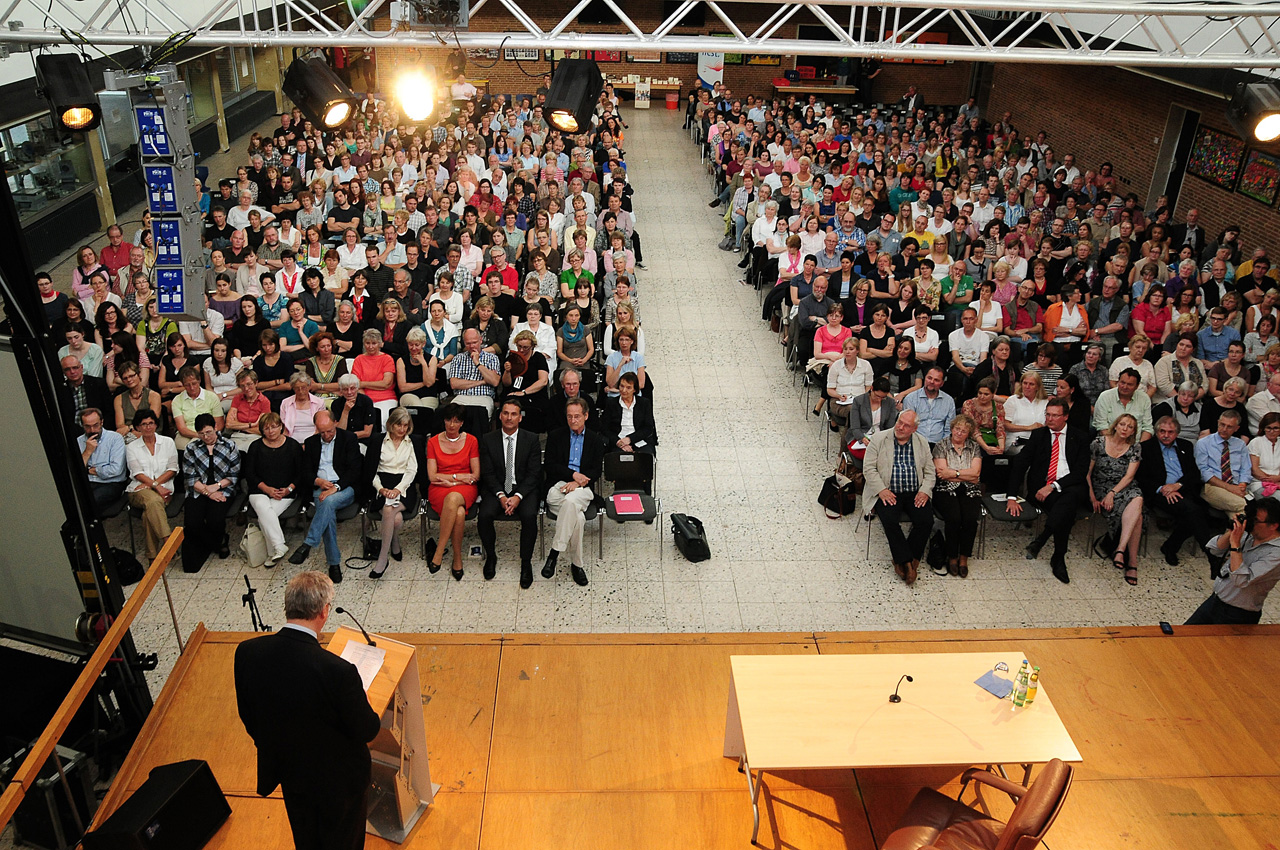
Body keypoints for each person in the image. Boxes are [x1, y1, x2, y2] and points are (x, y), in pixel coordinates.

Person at [233, 570, 381, 850]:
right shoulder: (338, 671)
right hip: (339, 785)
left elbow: (248, 715)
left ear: (288, 606)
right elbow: (368, 730)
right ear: (324, 611)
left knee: (306, 840)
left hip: (291, 775)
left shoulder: (247, 652)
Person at [1007, 397, 1091, 583]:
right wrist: (1012, 496)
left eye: (1055, 415)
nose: (1050, 419)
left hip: (1070, 485)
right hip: (1043, 489)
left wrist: (1053, 486)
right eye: (1048, 415)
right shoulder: (1039, 435)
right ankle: (1058, 557)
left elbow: (1080, 472)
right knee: (1066, 510)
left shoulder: (1080, 437)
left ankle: (1043, 539)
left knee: (1069, 497)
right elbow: (1020, 464)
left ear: (1066, 417)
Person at [863, 411, 936, 585]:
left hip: (914, 491)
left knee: (926, 521)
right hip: (888, 490)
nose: (900, 427)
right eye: (899, 422)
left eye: (906, 425)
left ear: (914, 429)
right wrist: (881, 490)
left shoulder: (922, 442)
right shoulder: (879, 439)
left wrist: (925, 491)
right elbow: (869, 469)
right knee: (889, 520)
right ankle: (907, 563)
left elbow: (930, 471)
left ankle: (906, 559)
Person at [290, 410, 364, 583]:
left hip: (344, 487)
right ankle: (333, 563)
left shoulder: (348, 439)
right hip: (321, 488)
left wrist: (336, 487)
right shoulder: (311, 443)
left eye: (329, 431)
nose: (326, 435)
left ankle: (308, 544)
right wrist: (318, 481)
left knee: (327, 502)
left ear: (335, 423)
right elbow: (305, 472)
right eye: (322, 432)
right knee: (327, 512)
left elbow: (355, 471)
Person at [478, 398, 543, 587]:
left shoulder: (531, 439)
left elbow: (534, 473)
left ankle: (526, 562)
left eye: (514, 414)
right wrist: (501, 495)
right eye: (505, 413)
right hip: (497, 488)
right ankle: (491, 556)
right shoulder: (488, 439)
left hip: (523, 489)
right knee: (484, 515)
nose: (509, 417)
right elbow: (487, 473)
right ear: (500, 416)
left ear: (520, 418)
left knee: (529, 515)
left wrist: (517, 496)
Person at [1185, 497, 1280, 625]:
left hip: (1238, 615)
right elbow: (1213, 549)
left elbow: (1241, 580)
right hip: (1215, 601)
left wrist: (1235, 545)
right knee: (1183, 635)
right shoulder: (1250, 534)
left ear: (1273, 525)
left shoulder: (1276, 553)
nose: (1251, 522)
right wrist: (1231, 532)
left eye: (1255, 520)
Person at [543, 398, 606, 587]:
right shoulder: (556, 436)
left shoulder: (596, 440)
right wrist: (572, 475)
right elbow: (550, 465)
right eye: (569, 416)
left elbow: (596, 471)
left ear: (586, 416)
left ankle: (554, 553)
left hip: (583, 489)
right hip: (559, 486)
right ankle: (577, 565)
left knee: (571, 502)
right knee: (577, 518)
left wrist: (578, 483)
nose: (573, 420)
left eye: (577, 416)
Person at [425, 403, 480, 579]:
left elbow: (475, 475)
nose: (451, 425)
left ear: (462, 423)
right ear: (444, 420)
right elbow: (432, 476)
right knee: (459, 512)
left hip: (464, 488)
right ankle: (457, 557)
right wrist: (458, 477)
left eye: (456, 421)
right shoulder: (433, 442)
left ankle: (439, 551)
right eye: (449, 420)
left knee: (454, 497)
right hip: (439, 488)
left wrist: (452, 481)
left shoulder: (471, 441)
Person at [1089, 413, 1145, 585]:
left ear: (1133, 431)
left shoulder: (1135, 447)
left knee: (1137, 498)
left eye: (1130, 427)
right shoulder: (1098, 443)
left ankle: (1120, 549)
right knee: (1138, 516)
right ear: (1115, 425)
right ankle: (1132, 563)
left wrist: (1113, 493)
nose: (1125, 429)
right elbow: (1087, 473)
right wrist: (1092, 496)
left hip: (1124, 486)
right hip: (1101, 486)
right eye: (1122, 424)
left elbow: (1129, 476)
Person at [181, 413, 241, 573]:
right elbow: (191, 477)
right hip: (199, 489)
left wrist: (217, 486)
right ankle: (212, 543)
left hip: (223, 488)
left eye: (208, 432)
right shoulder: (191, 448)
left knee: (215, 519)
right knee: (192, 522)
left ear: (215, 428)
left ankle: (220, 540)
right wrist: (208, 492)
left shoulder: (229, 445)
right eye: (201, 434)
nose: (206, 437)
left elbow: (233, 474)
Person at [245, 412, 307, 566]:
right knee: (262, 507)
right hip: (259, 491)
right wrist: (267, 489)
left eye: (274, 427)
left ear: (281, 427)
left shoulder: (293, 446)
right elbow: (250, 474)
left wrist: (289, 489)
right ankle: (279, 546)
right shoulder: (255, 447)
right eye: (266, 428)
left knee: (265, 516)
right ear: (262, 430)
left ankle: (272, 553)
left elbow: (301, 473)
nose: (271, 431)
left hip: (284, 492)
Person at [932, 413, 984, 577]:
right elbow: (942, 475)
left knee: (970, 519)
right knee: (954, 518)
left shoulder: (974, 447)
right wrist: (965, 474)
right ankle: (952, 557)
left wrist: (953, 473)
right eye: (957, 429)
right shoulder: (941, 445)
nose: (959, 433)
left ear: (969, 434)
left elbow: (976, 475)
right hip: (945, 489)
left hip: (970, 489)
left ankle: (963, 558)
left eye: (964, 431)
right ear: (952, 428)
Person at [369, 407, 419, 579]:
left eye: (405, 426)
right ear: (391, 424)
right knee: (396, 519)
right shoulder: (378, 441)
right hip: (382, 483)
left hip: (404, 485)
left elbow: (412, 470)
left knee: (389, 509)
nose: (402, 429)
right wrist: (380, 488)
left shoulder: (412, 442)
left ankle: (382, 559)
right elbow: (371, 470)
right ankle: (394, 542)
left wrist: (399, 489)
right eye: (399, 425)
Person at [125, 409, 180, 562]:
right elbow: (137, 473)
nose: (148, 427)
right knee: (154, 501)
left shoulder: (168, 442)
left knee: (148, 513)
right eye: (144, 424)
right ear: (138, 427)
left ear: (156, 424)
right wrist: (157, 486)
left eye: (151, 423)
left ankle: (152, 557)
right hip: (138, 490)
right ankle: (169, 543)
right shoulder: (131, 447)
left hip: (163, 489)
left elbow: (172, 469)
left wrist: (153, 485)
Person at [1195, 408, 1252, 514]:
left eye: (1229, 426)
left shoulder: (1240, 444)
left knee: (1240, 514)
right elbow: (1203, 472)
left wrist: (1242, 486)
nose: (1224, 429)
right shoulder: (1204, 443)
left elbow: (1246, 469)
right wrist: (1230, 488)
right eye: (1222, 424)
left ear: (1236, 428)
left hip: (1236, 486)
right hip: (1212, 487)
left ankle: (1234, 525)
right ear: (1218, 423)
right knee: (1246, 506)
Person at [77, 407, 127, 514]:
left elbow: (116, 470)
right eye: (87, 426)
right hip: (88, 482)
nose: (92, 430)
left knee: (91, 501)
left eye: (95, 425)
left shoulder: (115, 438)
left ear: (101, 422)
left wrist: (89, 470)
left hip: (111, 483)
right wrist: (87, 452)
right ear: (82, 425)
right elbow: (76, 471)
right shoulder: (79, 441)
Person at [902, 365, 956, 444]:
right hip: (915, 443)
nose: (931, 382)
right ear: (925, 378)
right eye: (929, 378)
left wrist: (942, 446)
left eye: (936, 380)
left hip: (939, 444)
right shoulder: (911, 398)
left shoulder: (949, 401)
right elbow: (907, 426)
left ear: (942, 383)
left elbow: (949, 429)